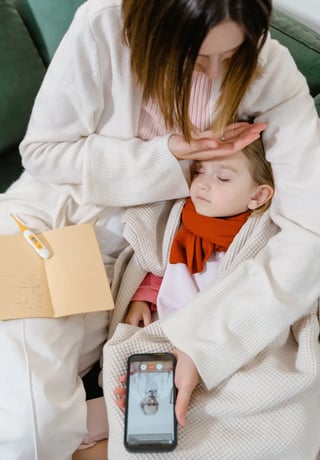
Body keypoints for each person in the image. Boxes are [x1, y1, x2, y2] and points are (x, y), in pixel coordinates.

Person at [0, 0, 318, 458]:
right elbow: (45, 152)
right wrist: (171, 153)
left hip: (137, 256)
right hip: (54, 225)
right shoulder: (103, 25)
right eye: (196, 57)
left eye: (230, 56)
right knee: (28, 430)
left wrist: (205, 344)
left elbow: (310, 228)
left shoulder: (269, 68)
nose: (214, 74)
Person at [124, 137, 274, 327]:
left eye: (223, 178)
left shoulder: (258, 239)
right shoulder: (180, 218)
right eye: (199, 171)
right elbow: (161, 263)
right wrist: (143, 299)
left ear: (258, 195)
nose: (202, 183)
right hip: (170, 323)